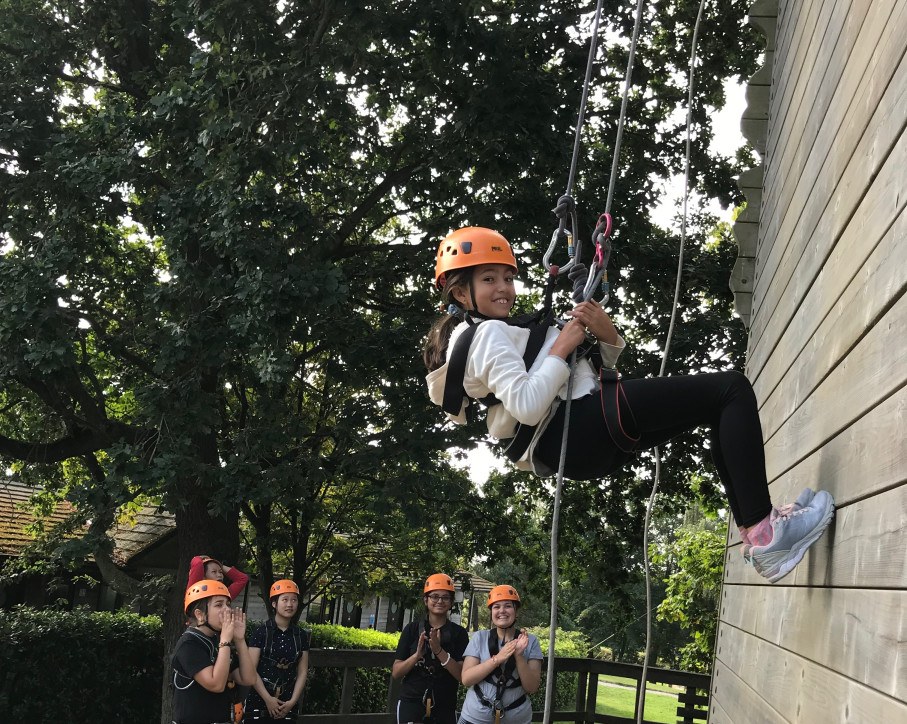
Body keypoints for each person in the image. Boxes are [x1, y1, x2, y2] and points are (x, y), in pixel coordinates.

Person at [424, 227, 835, 583]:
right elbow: (529, 404)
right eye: (490, 279)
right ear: (461, 292)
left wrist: (607, 338)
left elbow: (569, 374)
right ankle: (765, 533)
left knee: (716, 406)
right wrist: (565, 342)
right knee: (731, 391)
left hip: (579, 435)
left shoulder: (492, 332)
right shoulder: (488, 334)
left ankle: (759, 533)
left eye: (508, 278)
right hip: (579, 424)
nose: (504, 289)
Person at [172, 579, 257, 724]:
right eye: (219, 605)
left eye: (228, 604)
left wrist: (240, 640)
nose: (227, 610)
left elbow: (248, 678)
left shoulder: (218, 639)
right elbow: (216, 685)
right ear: (200, 615)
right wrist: (225, 641)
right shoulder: (189, 643)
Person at [392, 573, 470, 724]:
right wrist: (416, 656)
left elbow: (462, 676)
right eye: (434, 596)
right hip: (412, 702)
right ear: (426, 600)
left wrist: (439, 651)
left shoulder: (459, 634)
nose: (439, 601)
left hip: (444, 703)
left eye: (445, 597)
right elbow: (396, 672)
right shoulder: (412, 629)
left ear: (451, 602)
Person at [459, 585, 542, 724]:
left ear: (516, 611)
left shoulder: (530, 642)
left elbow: (532, 687)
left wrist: (519, 656)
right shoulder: (480, 638)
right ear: (491, 612)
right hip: (475, 717)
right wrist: (498, 658)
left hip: (516, 718)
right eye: (496, 607)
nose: (502, 611)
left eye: (508, 606)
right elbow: (467, 679)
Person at [244, 579, 310, 722]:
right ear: (274, 604)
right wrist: (268, 699)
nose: (289, 604)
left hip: (288, 702)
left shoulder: (301, 635)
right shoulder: (261, 632)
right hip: (259, 701)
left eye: (293, 600)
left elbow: (302, 671)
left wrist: (292, 702)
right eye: (284, 599)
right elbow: (250, 670)